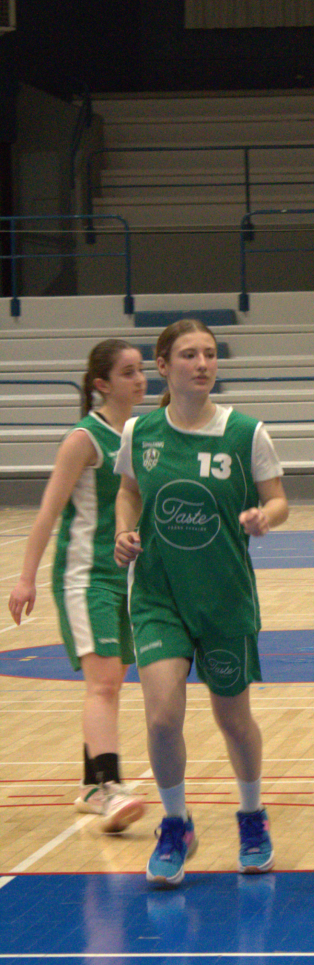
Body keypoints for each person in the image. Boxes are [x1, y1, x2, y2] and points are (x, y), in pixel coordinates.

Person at [112, 319, 289, 888]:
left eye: (209, 354)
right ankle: (175, 824)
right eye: (189, 354)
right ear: (164, 366)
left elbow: (278, 499)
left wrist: (264, 517)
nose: (202, 363)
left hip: (224, 597)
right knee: (163, 717)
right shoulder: (140, 432)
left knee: (232, 719)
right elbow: (128, 490)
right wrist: (123, 531)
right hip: (158, 594)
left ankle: (252, 815)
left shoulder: (245, 433)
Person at [9, 339, 148, 832]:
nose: (140, 379)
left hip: (125, 576)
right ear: (102, 384)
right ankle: (108, 787)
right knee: (103, 683)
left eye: (141, 369)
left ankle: (92, 785)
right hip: (84, 577)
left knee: (113, 681)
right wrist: (25, 578)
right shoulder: (84, 439)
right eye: (128, 372)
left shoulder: (138, 433)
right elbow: (48, 512)